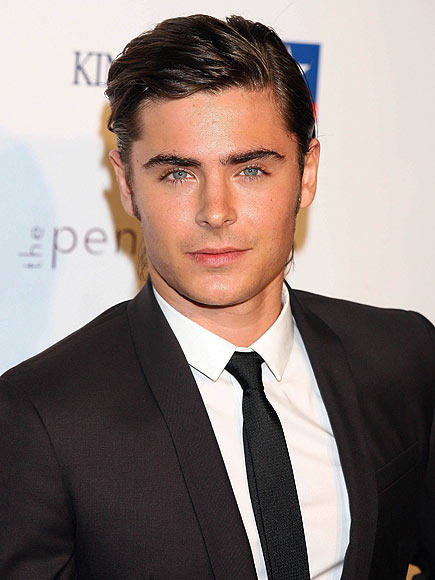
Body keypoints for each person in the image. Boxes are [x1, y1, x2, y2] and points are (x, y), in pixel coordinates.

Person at [0, 14, 434, 580]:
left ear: (306, 173)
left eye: (250, 170)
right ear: (127, 184)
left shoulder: (402, 356)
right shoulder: (41, 417)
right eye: (178, 174)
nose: (216, 211)